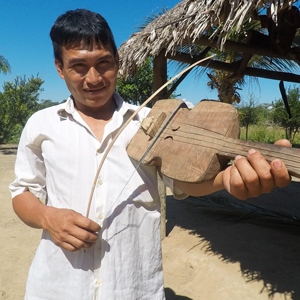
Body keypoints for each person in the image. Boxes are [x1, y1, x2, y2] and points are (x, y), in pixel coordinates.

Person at [9, 9, 291, 300]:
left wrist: (226, 181)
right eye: (78, 66)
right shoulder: (41, 124)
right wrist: (47, 217)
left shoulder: (151, 121)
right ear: (59, 67)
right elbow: (22, 192)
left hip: (133, 287)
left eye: (103, 63)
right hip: (57, 287)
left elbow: (181, 182)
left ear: (117, 61)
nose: (93, 78)